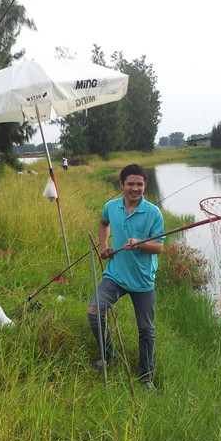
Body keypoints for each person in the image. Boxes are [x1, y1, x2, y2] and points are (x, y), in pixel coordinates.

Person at [87, 164, 164, 390]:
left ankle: (146, 376)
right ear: (121, 185)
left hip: (142, 281)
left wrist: (140, 244)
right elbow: (103, 223)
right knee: (94, 312)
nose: (135, 188)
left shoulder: (153, 213)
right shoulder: (111, 207)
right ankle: (109, 357)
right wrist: (103, 245)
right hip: (116, 275)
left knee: (146, 330)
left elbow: (159, 247)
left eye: (139, 184)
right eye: (130, 183)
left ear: (145, 185)